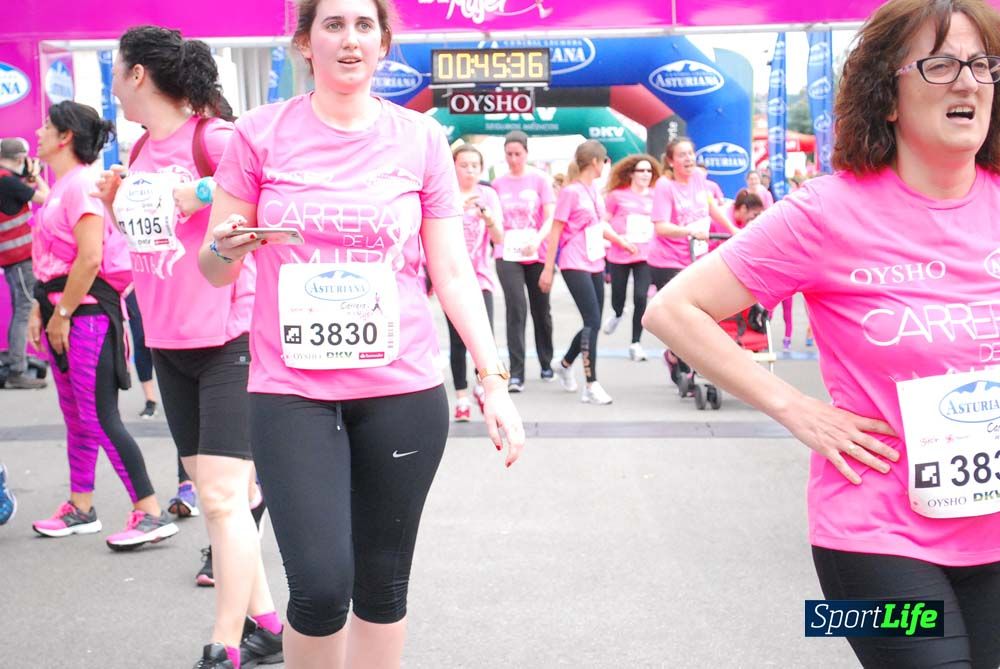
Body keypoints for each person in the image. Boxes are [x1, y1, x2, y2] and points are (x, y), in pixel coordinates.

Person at [643, 1, 1000, 666]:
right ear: (887, 97)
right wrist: (795, 407)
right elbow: (671, 310)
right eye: (942, 62)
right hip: (870, 537)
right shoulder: (827, 210)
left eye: (983, 64)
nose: (967, 82)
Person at [198, 0, 526, 666]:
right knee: (319, 587)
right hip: (290, 391)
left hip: (403, 389)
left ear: (383, 43)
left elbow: (454, 273)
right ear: (304, 41)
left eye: (364, 26)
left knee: (383, 584)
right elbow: (210, 268)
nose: (350, 40)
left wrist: (494, 382)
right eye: (333, 25)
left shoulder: (422, 140)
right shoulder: (257, 135)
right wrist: (228, 246)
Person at [94, 25, 281, 669]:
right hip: (167, 339)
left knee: (226, 500)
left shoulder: (216, 137)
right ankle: (270, 627)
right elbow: (151, 245)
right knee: (214, 499)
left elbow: (268, 192)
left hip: (231, 335)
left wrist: (200, 190)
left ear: (138, 74)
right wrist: (119, 205)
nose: (113, 81)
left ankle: (225, 649)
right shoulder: (141, 148)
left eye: (116, 69)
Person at [27, 101, 179, 550]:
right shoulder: (62, 187)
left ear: (65, 137)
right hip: (65, 309)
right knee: (76, 416)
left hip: (88, 315)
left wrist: (63, 314)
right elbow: (56, 262)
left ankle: (148, 510)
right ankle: (81, 506)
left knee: (100, 415)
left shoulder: (82, 186)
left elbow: (91, 257)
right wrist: (44, 309)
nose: (37, 133)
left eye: (46, 127)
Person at [539, 140, 636, 404]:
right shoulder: (570, 192)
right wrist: (548, 269)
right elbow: (556, 229)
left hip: (595, 260)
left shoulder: (594, 191)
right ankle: (591, 384)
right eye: (604, 160)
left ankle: (565, 363)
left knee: (590, 322)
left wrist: (622, 243)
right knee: (592, 320)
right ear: (595, 162)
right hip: (573, 261)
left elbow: (599, 225)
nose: (606, 165)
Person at [649, 137, 738, 385]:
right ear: (671, 161)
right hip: (668, 259)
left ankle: (680, 356)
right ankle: (681, 360)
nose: (688, 159)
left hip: (696, 255)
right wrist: (687, 230)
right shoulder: (665, 186)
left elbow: (710, 206)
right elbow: (661, 227)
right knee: (681, 316)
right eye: (682, 155)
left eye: (690, 153)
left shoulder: (699, 177)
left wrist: (733, 229)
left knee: (701, 311)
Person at [492, 130, 556, 392]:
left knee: (541, 310)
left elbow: (551, 217)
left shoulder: (540, 180)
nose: (513, 159)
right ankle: (516, 372)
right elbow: (494, 220)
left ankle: (546, 361)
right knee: (515, 309)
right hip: (507, 253)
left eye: (518, 154)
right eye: (509, 154)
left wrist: (538, 240)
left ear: (527, 153)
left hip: (535, 251)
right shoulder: (498, 184)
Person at [449, 144, 503, 421]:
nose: (470, 170)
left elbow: (499, 237)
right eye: (464, 165)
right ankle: (461, 398)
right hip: (452, 278)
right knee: (457, 340)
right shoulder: (445, 194)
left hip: (480, 277)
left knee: (483, 337)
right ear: (453, 166)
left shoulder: (488, 194)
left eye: (474, 166)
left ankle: (482, 387)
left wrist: (487, 216)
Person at [0, 137, 50, 389]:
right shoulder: (7, 181)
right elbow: (49, 198)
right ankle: (17, 371)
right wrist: (36, 176)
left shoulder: (7, 181)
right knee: (23, 311)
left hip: (12, 260)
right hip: (19, 260)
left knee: (21, 309)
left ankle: (15, 366)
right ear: (20, 159)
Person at [600, 154, 660, 362]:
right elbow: (603, 222)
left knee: (641, 297)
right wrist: (618, 239)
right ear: (631, 174)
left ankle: (636, 343)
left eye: (649, 171)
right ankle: (617, 314)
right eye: (641, 171)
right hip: (620, 253)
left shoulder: (655, 196)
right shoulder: (617, 196)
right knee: (618, 296)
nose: (645, 174)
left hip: (644, 255)